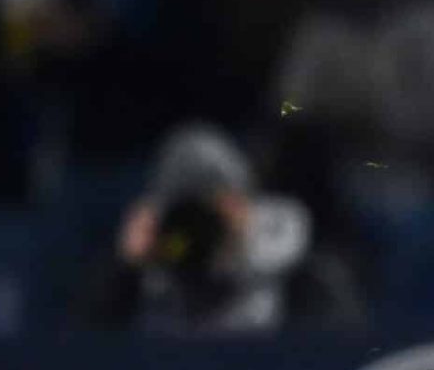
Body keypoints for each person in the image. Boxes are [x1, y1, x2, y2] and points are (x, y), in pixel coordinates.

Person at [78, 122, 365, 335]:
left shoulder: (302, 273)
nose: (202, 226)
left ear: (246, 204)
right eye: (191, 207)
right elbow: (86, 364)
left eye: (219, 200)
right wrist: (125, 271)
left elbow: (337, 357)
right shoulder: (145, 275)